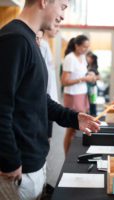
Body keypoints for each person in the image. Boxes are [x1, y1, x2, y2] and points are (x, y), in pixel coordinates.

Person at [0, 1, 100, 199]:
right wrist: (9, 160)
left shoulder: (29, 40)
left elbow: (38, 99)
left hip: (34, 161)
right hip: (19, 167)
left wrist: (73, 118)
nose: (63, 16)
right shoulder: (15, 40)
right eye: (62, 6)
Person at [61, 35, 96, 155]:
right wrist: (82, 79)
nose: (86, 49)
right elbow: (64, 81)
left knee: (79, 128)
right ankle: (67, 158)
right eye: (84, 47)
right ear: (77, 45)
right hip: (72, 96)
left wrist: (90, 74)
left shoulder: (82, 57)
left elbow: (82, 73)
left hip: (82, 94)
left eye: (87, 47)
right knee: (71, 129)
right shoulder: (70, 58)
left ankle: (74, 155)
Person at [86, 51, 101, 116]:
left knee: (92, 104)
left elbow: (99, 77)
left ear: (92, 59)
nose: (86, 58)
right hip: (89, 87)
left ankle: (93, 118)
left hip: (92, 88)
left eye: (88, 57)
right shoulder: (88, 66)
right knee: (90, 104)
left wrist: (92, 77)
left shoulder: (93, 67)